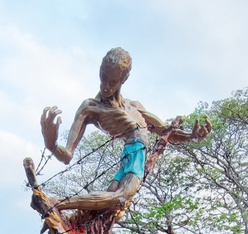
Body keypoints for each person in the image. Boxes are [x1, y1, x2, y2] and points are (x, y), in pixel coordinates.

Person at [40, 47, 211, 214]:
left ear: (124, 78)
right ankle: (57, 204)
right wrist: (52, 145)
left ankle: (81, 230)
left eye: (112, 82)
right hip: (134, 153)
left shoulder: (134, 107)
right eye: (103, 78)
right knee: (121, 197)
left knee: (108, 208)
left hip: (132, 154)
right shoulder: (91, 108)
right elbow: (67, 155)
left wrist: (192, 136)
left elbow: (167, 133)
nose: (105, 86)